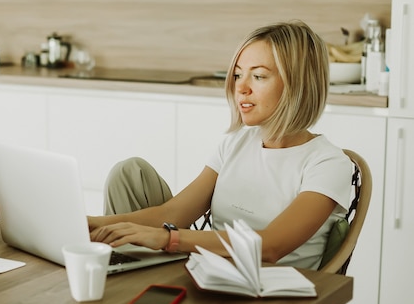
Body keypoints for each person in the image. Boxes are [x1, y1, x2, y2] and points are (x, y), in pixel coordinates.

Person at [89, 21, 353, 270]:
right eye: (238, 75)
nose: (241, 88)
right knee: (129, 173)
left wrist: (168, 239)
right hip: (210, 274)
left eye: (259, 76)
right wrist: (88, 224)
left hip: (270, 295)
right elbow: (173, 213)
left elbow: (271, 246)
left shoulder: (327, 163)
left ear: (299, 83)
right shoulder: (235, 145)